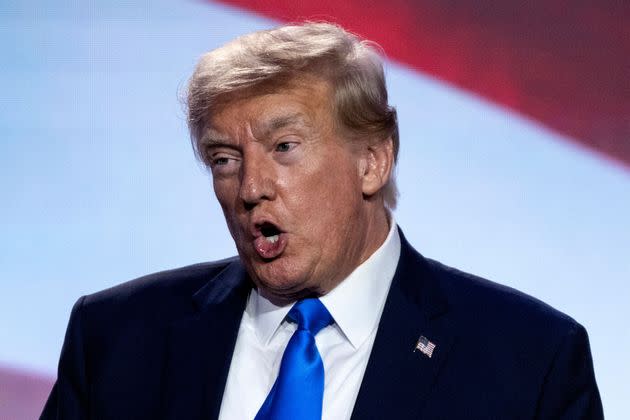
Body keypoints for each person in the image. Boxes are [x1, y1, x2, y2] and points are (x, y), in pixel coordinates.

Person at [41, 22, 603, 419]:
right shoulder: (117, 338)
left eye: (284, 146)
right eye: (224, 159)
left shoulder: (530, 361)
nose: (251, 188)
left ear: (373, 160)